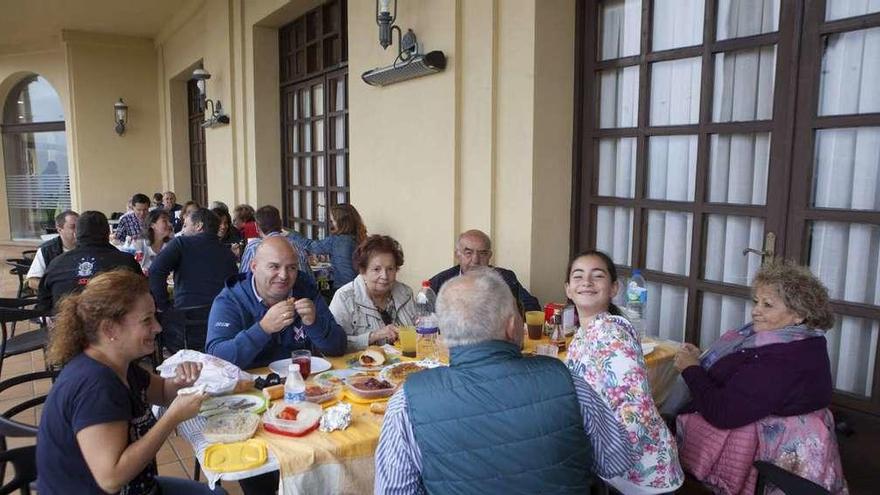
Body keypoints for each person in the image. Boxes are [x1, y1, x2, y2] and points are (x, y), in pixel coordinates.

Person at [375, 268, 635, 494]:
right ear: (512, 327)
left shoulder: (406, 403)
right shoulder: (568, 381)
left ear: (444, 334)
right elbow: (616, 461)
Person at [36, 270, 223, 495]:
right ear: (109, 329)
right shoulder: (96, 387)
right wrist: (172, 417)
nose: (158, 327)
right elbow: (111, 478)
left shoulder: (120, 365)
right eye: (147, 320)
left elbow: (163, 392)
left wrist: (181, 381)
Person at [672, 260, 847, 494]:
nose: (756, 311)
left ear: (799, 314)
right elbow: (743, 370)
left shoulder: (785, 357)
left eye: (768, 305)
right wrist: (702, 359)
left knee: (660, 419)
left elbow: (724, 412)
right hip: (769, 425)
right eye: (756, 302)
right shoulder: (794, 339)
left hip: (776, 452)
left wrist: (691, 370)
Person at [564, 250, 683, 494]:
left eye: (597, 276)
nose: (586, 282)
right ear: (568, 289)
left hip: (641, 472)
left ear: (614, 288)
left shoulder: (611, 334)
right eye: (578, 276)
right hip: (621, 468)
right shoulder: (584, 332)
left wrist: (593, 462)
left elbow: (634, 412)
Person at [206, 236, 346, 369]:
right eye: (274, 267)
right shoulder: (230, 300)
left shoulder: (305, 290)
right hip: (249, 388)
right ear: (254, 267)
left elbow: (338, 348)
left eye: (291, 267)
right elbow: (216, 360)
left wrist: (315, 324)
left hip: (302, 383)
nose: (284, 275)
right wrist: (263, 329)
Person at [150, 208, 237, 354]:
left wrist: (163, 305)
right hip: (220, 328)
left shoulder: (182, 244)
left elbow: (155, 271)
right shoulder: (228, 253)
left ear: (199, 226)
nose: (183, 229)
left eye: (186, 225)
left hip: (183, 329)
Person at [38, 211, 142, 312]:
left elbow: (44, 306)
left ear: (76, 234)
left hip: (68, 326)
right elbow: (143, 297)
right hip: (115, 326)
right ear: (109, 233)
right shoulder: (126, 262)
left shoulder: (56, 264)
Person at [329, 235, 414, 351]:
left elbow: (419, 333)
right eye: (376, 269)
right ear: (363, 271)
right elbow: (332, 345)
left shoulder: (405, 293)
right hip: (359, 366)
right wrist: (374, 336)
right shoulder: (344, 297)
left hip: (404, 365)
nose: (384, 276)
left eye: (390, 269)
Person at [428, 229, 541, 311]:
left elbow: (533, 307)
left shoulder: (505, 278)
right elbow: (424, 317)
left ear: (489, 256)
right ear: (457, 255)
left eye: (482, 253)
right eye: (468, 253)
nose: (475, 260)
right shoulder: (439, 282)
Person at [288, 203, 366, 290]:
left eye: (332, 221)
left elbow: (310, 246)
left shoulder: (338, 240)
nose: (331, 224)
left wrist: (290, 234)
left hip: (339, 288)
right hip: (359, 286)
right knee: (320, 266)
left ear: (341, 222)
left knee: (308, 276)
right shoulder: (361, 237)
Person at [238, 205, 316, 290]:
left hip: (264, 300)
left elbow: (243, 281)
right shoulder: (296, 245)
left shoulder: (253, 247)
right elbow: (311, 281)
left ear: (257, 227)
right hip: (298, 298)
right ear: (280, 223)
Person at [26, 210, 78, 291]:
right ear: (59, 229)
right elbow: (32, 281)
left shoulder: (88, 246)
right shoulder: (47, 250)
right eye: (73, 227)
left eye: (80, 227)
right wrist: (57, 289)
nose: (77, 231)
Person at [141, 208, 174, 273]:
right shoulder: (140, 245)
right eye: (164, 221)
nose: (170, 224)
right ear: (152, 225)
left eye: (169, 221)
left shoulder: (171, 245)